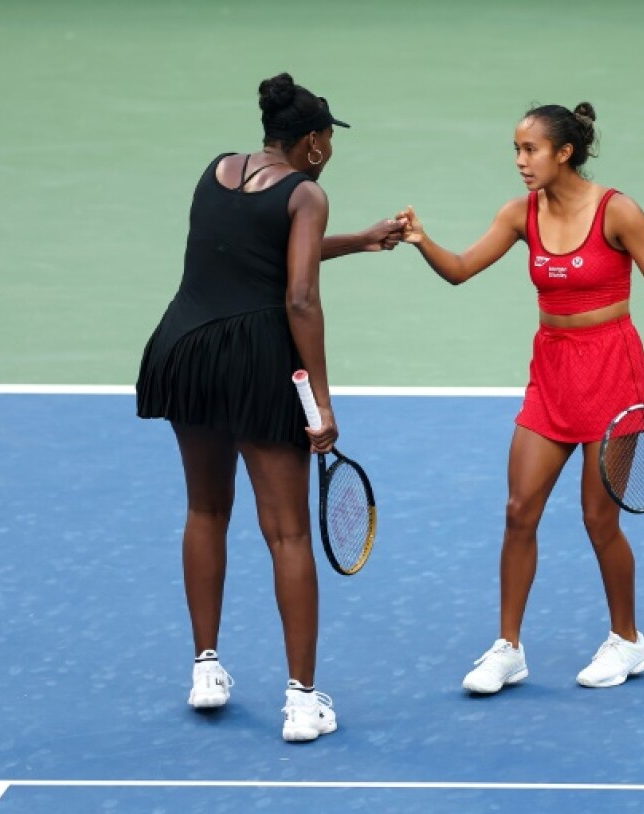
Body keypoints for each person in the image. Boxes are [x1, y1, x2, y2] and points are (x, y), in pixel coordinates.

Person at [136, 72, 402, 741]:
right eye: (328, 140)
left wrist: (361, 241)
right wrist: (320, 402)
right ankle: (302, 702)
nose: (329, 152)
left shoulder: (217, 168)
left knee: (204, 509)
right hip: (254, 363)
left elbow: (250, 255)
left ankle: (205, 669)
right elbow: (299, 298)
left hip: (184, 350)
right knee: (287, 534)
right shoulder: (308, 193)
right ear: (311, 142)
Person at [398, 102, 644, 692]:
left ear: (564, 152)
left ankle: (628, 641)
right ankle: (508, 647)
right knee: (518, 513)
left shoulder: (617, 211)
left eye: (530, 150)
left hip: (613, 374)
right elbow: (459, 270)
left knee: (598, 519)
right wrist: (420, 239)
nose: (520, 161)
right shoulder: (519, 215)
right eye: (516, 149)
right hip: (552, 375)